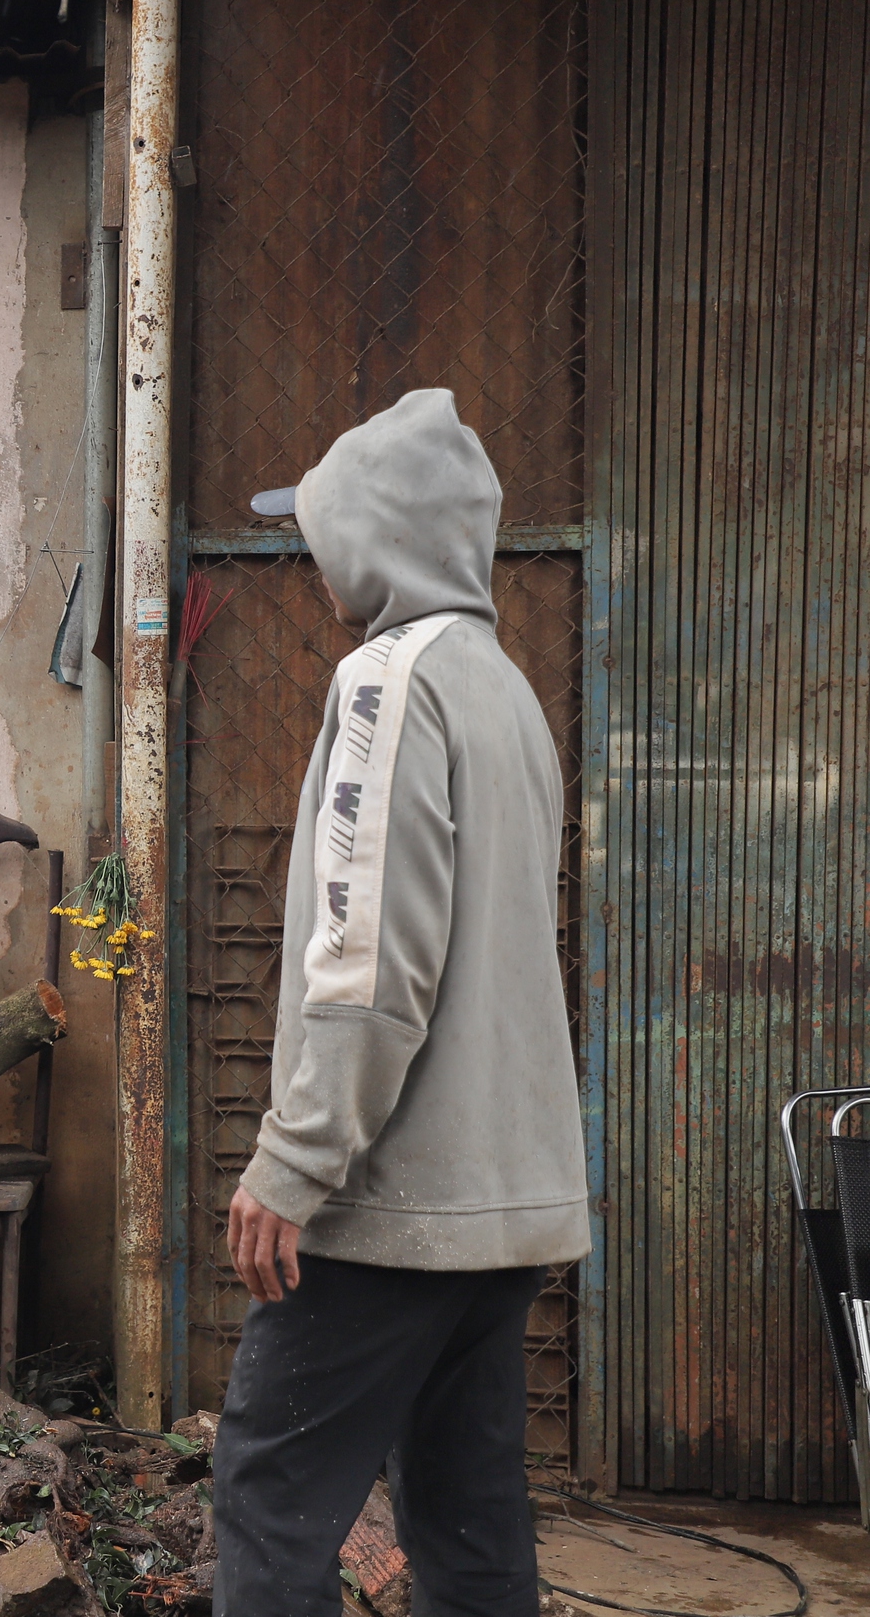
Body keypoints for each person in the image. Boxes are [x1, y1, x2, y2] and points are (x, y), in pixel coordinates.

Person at [209, 389, 591, 1615]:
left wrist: (295, 1158)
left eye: (322, 526)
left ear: (372, 533)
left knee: (270, 1494)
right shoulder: (504, 690)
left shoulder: (385, 678)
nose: (312, 554)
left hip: (393, 1205)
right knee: (466, 1515)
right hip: (500, 1208)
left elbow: (371, 952)